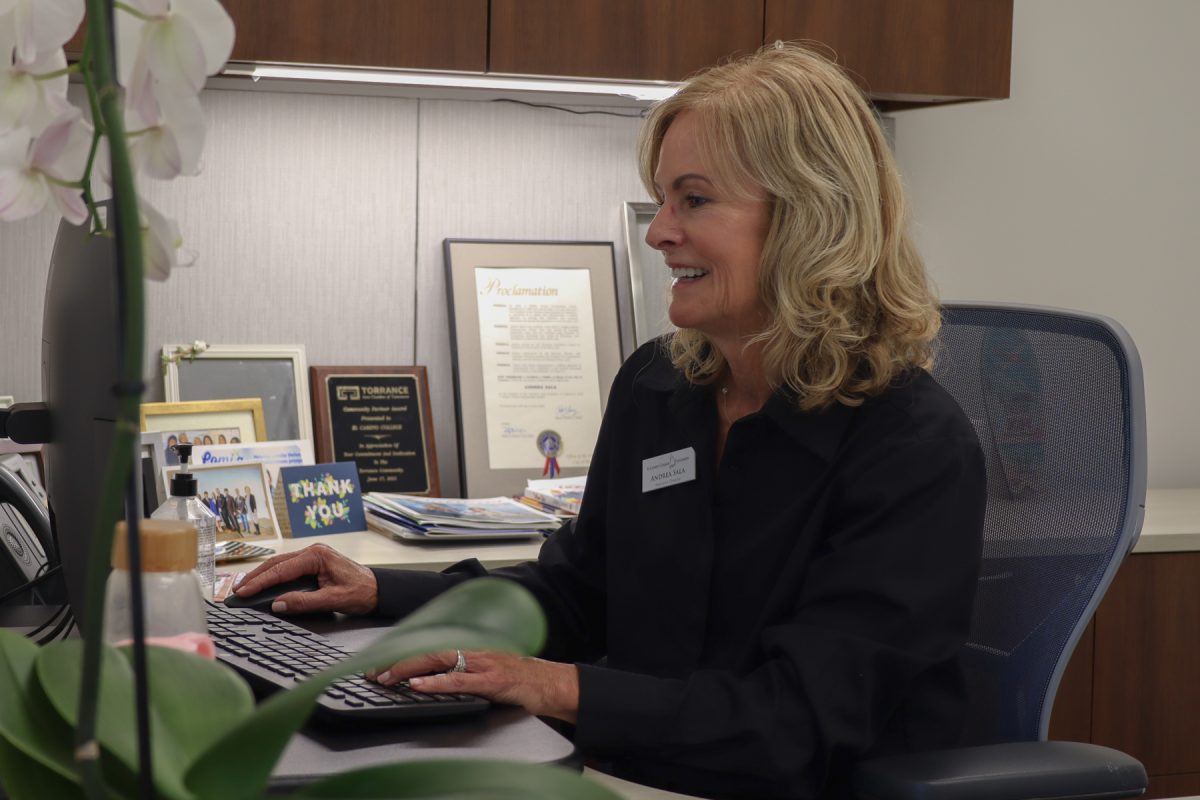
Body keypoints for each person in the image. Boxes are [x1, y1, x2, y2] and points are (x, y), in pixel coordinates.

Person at [236, 43, 986, 799]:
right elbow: (577, 594)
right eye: (661, 199)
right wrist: (381, 592)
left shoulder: (912, 447)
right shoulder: (660, 386)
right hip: (627, 769)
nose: (658, 232)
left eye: (694, 200)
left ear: (809, 220)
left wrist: (557, 688)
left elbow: (795, 722)